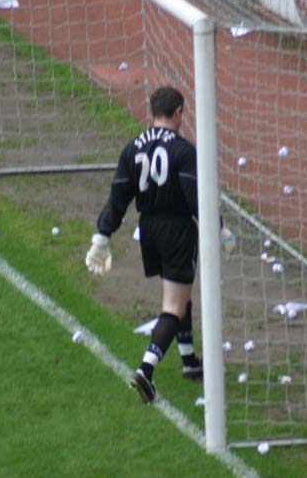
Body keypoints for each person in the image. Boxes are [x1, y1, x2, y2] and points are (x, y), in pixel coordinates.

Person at [85, 85, 235, 404]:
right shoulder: (183, 151)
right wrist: (220, 230)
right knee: (173, 306)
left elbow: (119, 197)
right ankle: (146, 370)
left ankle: (189, 360)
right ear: (179, 112)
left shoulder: (132, 148)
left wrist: (102, 236)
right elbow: (198, 199)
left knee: (180, 291)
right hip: (177, 229)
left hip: (149, 229)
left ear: (153, 111)